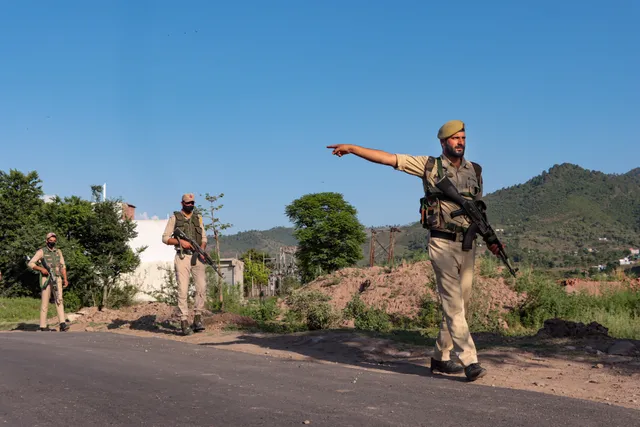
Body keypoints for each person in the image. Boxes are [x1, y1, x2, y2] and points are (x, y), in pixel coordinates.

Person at [327, 120, 501, 382]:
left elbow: (477, 211)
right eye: (455, 139)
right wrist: (352, 148)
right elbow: (388, 158)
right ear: (443, 142)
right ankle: (470, 360)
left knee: (459, 305)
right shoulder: (429, 165)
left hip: (467, 244)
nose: (460, 142)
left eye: (463, 138)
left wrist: (489, 237)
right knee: (453, 304)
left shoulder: (475, 170)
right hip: (441, 243)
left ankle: (440, 358)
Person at [162, 193, 208, 336]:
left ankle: (198, 319)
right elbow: (165, 238)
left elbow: (204, 238)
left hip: (197, 257)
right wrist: (180, 242)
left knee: (202, 287)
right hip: (182, 257)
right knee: (182, 289)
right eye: (188, 203)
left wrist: (202, 250)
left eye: (192, 203)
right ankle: (183, 321)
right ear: (182, 203)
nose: (190, 205)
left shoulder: (198, 218)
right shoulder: (175, 218)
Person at [28, 232, 70, 332]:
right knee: (45, 301)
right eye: (50, 241)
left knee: (59, 299)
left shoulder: (58, 251)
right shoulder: (41, 251)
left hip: (57, 277)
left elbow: (63, 266)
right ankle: (42, 325)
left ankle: (62, 323)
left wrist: (65, 279)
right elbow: (30, 263)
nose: (52, 242)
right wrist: (41, 269)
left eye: (54, 241)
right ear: (47, 241)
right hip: (46, 279)